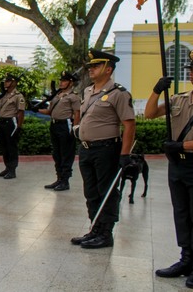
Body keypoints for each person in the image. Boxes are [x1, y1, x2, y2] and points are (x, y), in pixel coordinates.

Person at [144, 50, 193, 289]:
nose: (192, 73)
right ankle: (185, 259)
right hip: (178, 164)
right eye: (191, 70)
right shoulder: (179, 98)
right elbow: (149, 114)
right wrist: (156, 90)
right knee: (181, 213)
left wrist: (184, 145)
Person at [70, 49, 135, 249]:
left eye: (96, 66)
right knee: (91, 191)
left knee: (106, 191)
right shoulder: (88, 91)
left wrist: (125, 154)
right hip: (86, 149)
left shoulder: (119, 93)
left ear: (109, 69)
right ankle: (95, 228)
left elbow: (129, 125)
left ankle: (106, 233)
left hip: (106, 148)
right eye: (90, 66)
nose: (91, 69)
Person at [38, 71, 81, 191]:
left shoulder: (73, 96)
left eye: (64, 81)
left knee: (66, 154)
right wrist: (36, 109)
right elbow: (49, 111)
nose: (61, 83)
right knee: (56, 154)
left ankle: (65, 181)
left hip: (65, 126)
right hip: (54, 125)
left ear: (71, 82)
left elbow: (77, 113)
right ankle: (59, 178)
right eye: (61, 81)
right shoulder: (57, 96)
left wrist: (75, 128)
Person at [0, 73, 25, 179]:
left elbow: (20, 112)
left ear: (14, 82)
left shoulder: (18, 96)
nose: (5, 83)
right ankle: (7, 168)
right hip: (2, 122)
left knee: (11, 147)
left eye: (8, 81)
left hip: (11, 123)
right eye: (5, 81)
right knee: (4, 146)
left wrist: (19, 127)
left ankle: (12, 170)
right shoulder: (4, 95)